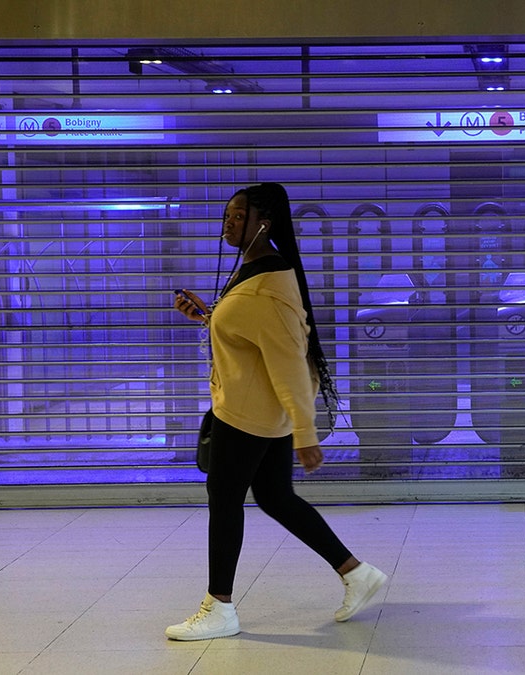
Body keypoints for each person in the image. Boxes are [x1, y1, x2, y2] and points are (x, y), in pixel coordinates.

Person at [166, 183, 387, 640]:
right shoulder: (251, 270)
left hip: (248, 415)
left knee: (225, 501)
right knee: (274, 497)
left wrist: (305, 432)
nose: (228, 223)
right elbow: (250, 334)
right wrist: (209, 317)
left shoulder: (269, 284)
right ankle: (356, 573)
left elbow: (288, 360)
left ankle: (219, 608)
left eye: (238, 216)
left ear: (263, 222)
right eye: (226, 215)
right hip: (256, 409)